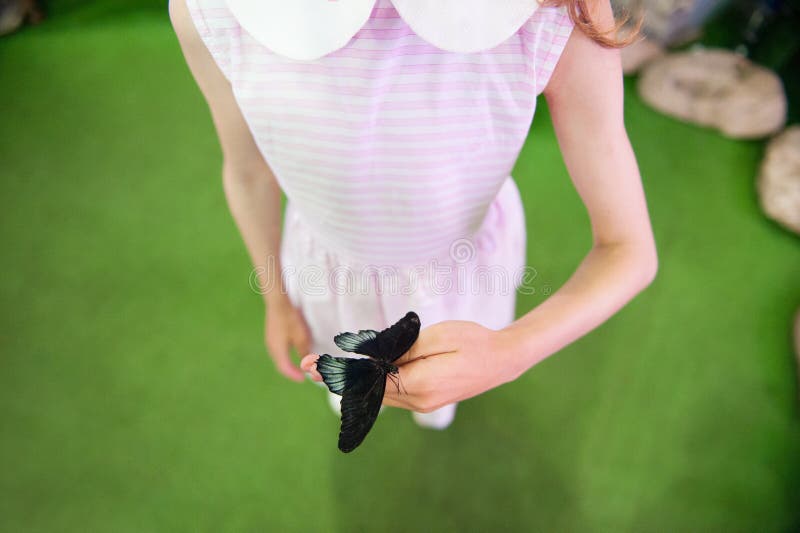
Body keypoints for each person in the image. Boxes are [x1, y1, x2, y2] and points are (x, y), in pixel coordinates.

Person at [169, 0, 657, 429]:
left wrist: (509, 353)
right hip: (328, 277)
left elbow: (629, 248)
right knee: (355, 391)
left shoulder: (553, 10)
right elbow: (249, 170)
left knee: (439, 396)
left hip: (463, 275)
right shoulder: (214, 10)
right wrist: (276, 299)